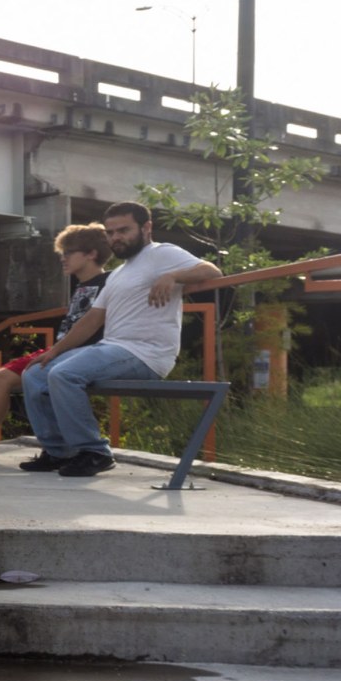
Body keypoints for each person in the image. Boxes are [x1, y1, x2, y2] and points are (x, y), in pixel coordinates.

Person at [20, 200, 222, 478]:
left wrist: (172, 276)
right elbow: (92, 319)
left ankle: (94, 452)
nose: (116, 237)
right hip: (112, 348)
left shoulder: (161, 254)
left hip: (146, 353)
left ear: (146, 227)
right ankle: (59, 451)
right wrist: (53, 352)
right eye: (111, 232)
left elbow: (212, 271)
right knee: (35, 375)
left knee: (64, 375)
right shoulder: (119, 273)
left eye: (123, 230)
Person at [0, 223, 111, 464]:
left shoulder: (108, 282)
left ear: (91, 254)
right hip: (60, 348)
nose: (63, 258)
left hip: (77, 352)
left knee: (1, 379)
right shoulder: (82, 286)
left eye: (68, 253)